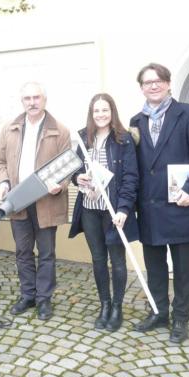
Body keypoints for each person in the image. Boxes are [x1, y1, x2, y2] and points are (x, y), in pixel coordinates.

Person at [129, 63, 189, 344]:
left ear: (168, 83)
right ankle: (159, 312)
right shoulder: (136, 122)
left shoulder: (188, 114)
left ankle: (181, 318)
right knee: (154, 267)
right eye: (147, 82)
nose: (153, 86)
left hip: (181, 205)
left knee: (183, 268)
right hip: (150, 207)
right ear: (141, 87)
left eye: (158, 81)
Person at [0, 82, 71, 321]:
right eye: (27, 98)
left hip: (46, 201)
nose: (32, 102)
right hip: (18, 200)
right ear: (22, 101)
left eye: (36, 97)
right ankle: (28, 295)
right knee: (23, 252)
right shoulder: (10, 128)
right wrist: (3, 183)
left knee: (46, 253)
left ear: (44, 99)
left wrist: (61, 185)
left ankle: (44, 299)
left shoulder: (59, 130)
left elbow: (67, 167)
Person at [68, 93, 139, 332]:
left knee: (117, 261)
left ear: (112, 112)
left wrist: (124, 209)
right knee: (98, 260)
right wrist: (78, 178)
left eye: (105, 110)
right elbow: (72, 172)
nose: (100, 115)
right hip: (90, 210)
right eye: (96, 111)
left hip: (113, 212)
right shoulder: (82, 138)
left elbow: (131, 177)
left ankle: (117, 307)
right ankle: (104, 305)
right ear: (91, 113)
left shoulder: (123, 139)